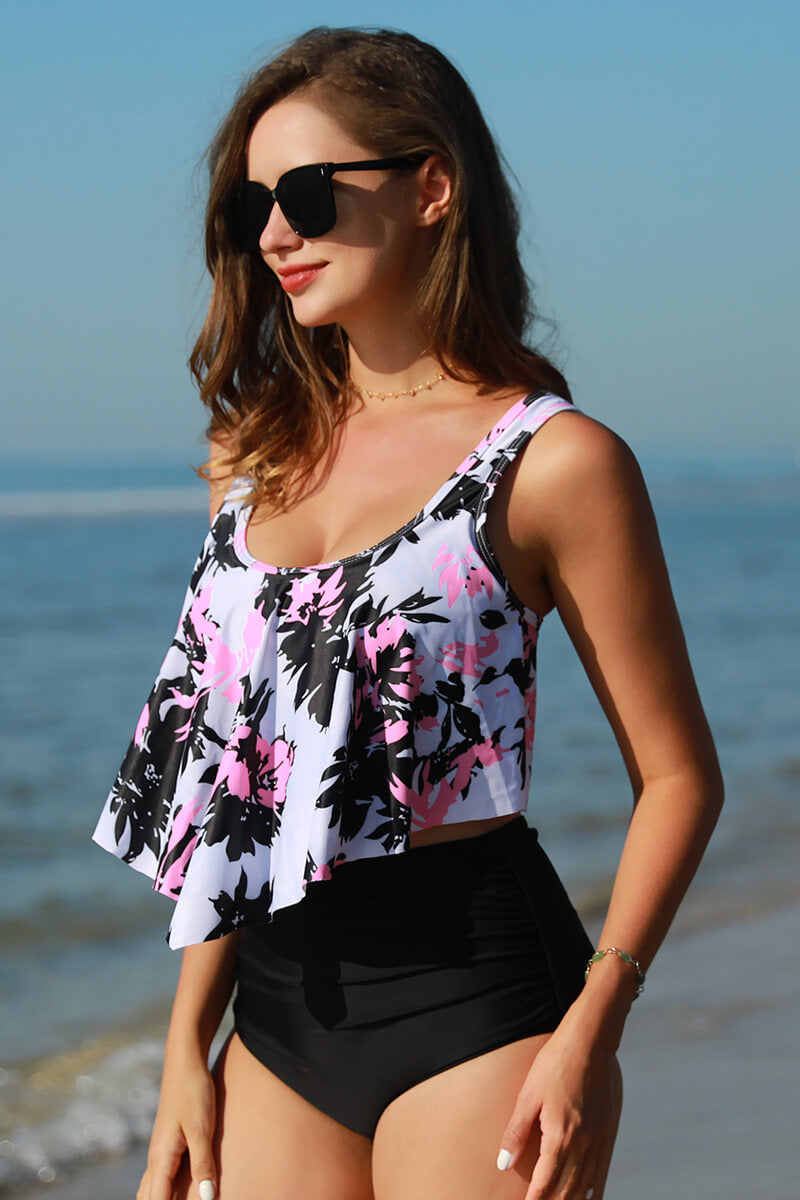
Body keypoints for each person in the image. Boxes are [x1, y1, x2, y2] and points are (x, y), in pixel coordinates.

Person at [92, 26, 723, 1200]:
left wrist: (593, 1026)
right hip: (277, 1015)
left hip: (481, 1004)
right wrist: (184, 1045)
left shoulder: (551, 462)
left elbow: (678, 777)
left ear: (430, 187)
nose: (275, 234)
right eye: (252, 208)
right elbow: (237, 784)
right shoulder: (249, 457)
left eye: (305, 194)